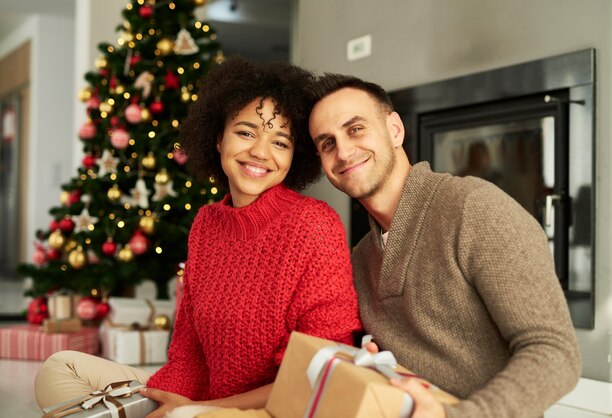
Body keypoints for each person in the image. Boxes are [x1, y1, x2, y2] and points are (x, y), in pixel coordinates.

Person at [34, 58, 362, 418]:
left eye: (280, 141)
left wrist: (197, 410)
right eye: (246, 132)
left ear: (293, 156)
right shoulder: (206, 224)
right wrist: (162, 400)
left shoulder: (314, 225)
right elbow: (188, 350)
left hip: (270, 410)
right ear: (218, 138)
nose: (260, 152)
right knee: (61, 368)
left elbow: (317, 373)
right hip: (202, 404)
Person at [307, 74, 581, 418]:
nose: (344, 151)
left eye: (356, 129)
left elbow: (555, 353)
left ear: (394, 130)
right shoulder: (360, 258)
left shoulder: (474, 208)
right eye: (327, 143)